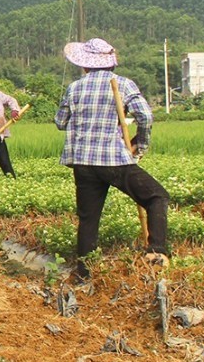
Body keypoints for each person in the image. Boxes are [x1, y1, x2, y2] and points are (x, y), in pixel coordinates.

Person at [54, 38, 170, 282]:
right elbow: (146, 117)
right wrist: (141, 142)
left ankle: (84, 273)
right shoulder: (123, 84)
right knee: (157, 196)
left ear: (85, 65)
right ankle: (157, 251)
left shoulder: (74, 87)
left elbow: (60, 122)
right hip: (113, 160)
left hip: (82, 162)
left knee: (88, 218)